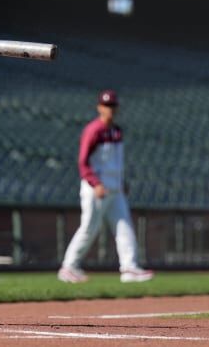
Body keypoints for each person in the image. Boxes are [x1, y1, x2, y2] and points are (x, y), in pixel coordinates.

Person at [57, 90, 154, 284]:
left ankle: (129, 268)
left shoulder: (117, 131)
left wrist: (121, 182)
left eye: (112, 105)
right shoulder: (94, 130)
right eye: (106, 105)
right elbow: (83, 162)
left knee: (124, 227)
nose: (109, 109)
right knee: (89, 228)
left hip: (115, 189)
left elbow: (115, 162)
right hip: (97, 189)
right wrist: (95, 183)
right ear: (99, 107)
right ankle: (68, 267)